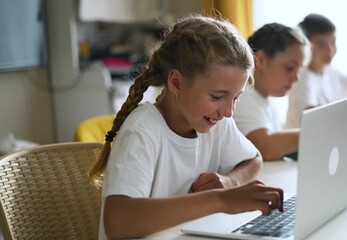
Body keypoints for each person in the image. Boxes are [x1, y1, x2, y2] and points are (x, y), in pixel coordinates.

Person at [88, 15, 284, 240]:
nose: (229, 111)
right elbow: (118, 222)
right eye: (217, 96)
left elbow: (253, 160)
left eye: (236, 98)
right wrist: (220, 200)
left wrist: (230, 182)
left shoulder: (215, 122)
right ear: (176, 83)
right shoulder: (142, 131)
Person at [285, 13, 347, 129]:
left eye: (333, 42)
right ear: (305, 47)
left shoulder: (330, 71)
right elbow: (309, 115)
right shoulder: (301, 78)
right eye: (321, 45)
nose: (330, 50)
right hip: (302, 143)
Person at [232, 23, 307, 161]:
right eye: (290, 68)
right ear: (260, 59)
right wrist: (318, 132)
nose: (296, 78)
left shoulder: (266, 97)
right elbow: (265, 147)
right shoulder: (240, 96)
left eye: (299, 70)